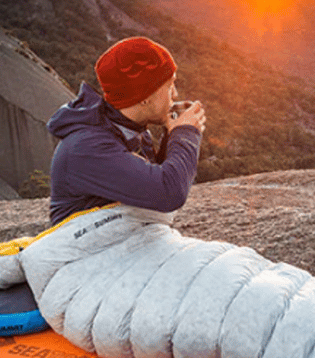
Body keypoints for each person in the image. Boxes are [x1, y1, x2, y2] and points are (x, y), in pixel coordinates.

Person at [46, 37, 207, 226]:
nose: (175, 94)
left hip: (111, 240)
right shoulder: (87, 147)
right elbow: (168, 193)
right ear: (145, 96)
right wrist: (185, 133)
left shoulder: (128, 128)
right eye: (170, 85)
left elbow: (148, 186)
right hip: (83, 248)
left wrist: (171, 133)